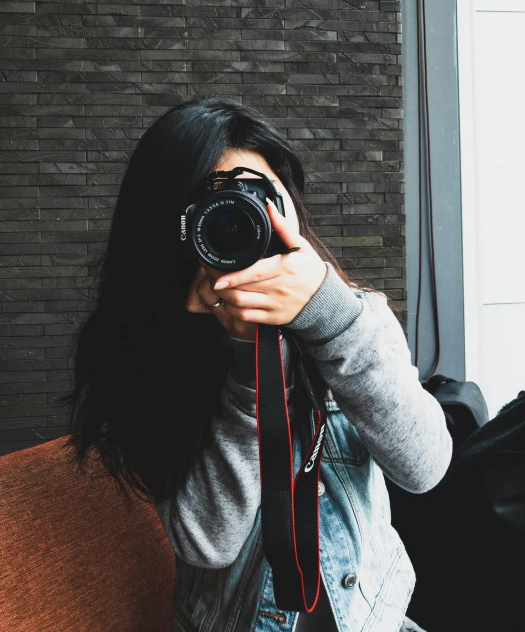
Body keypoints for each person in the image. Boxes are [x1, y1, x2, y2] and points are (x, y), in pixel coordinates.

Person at [58, 97, 452, 632]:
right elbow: (207, 542)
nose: (240, 223)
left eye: (260, 197)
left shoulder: (358, 320)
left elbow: (426, 469)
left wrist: (330, 318)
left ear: (289, 209)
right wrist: (251, 370)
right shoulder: (152, 357)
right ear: (174, 231)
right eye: (215, 212)